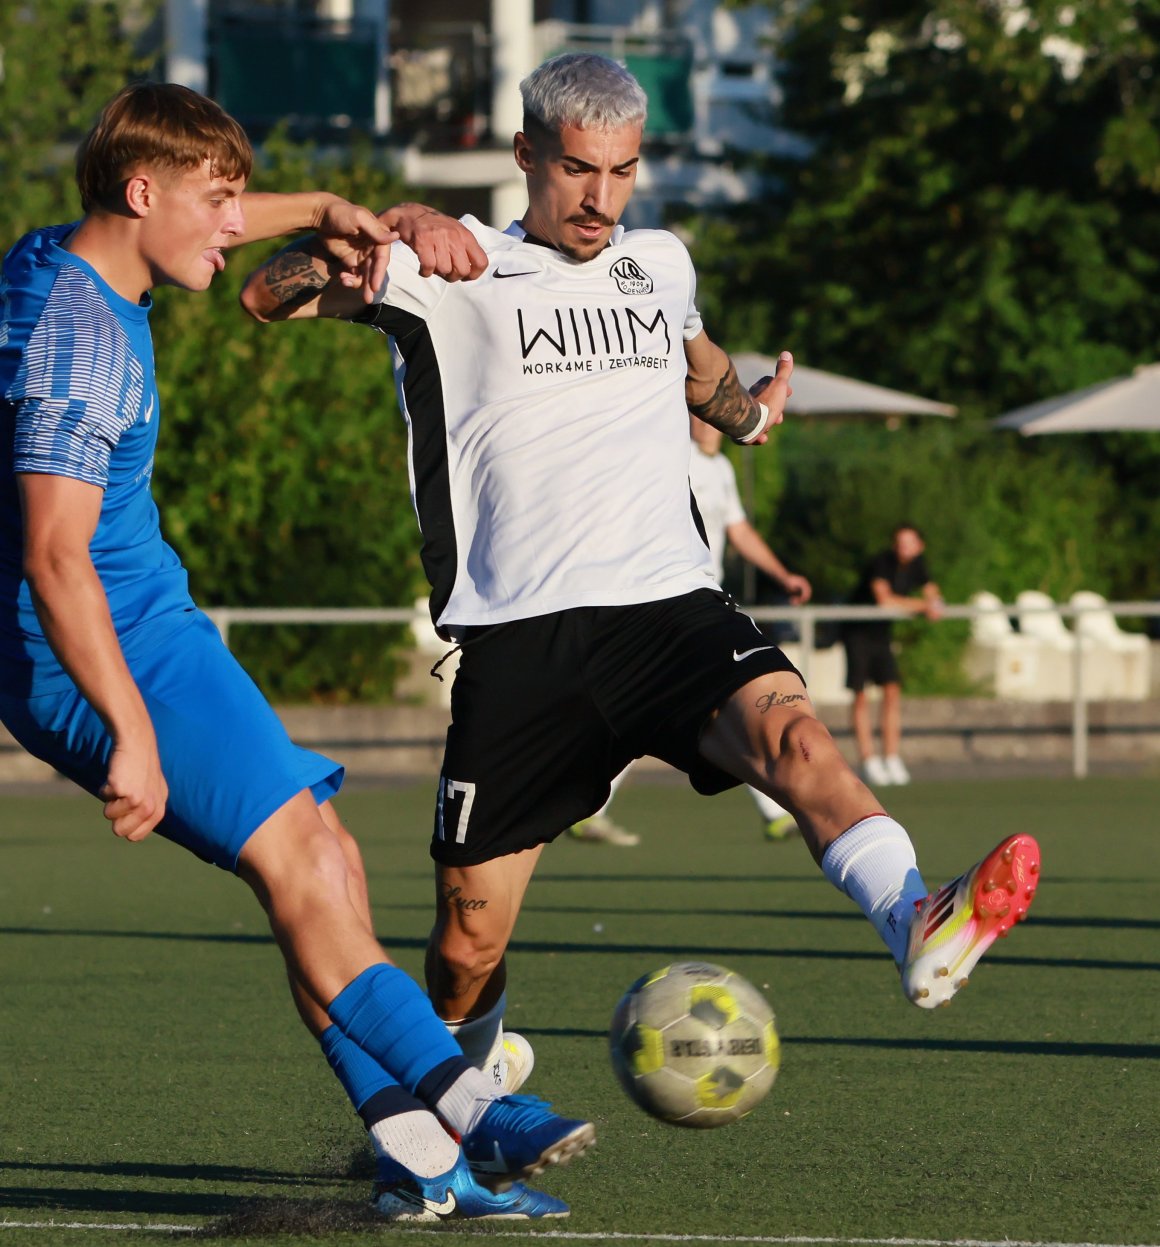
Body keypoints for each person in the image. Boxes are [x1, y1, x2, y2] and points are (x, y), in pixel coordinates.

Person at [240, 54, 1040, 1102]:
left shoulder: (659, 261)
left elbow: (694, 362)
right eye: (576, 170)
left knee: (798, 735)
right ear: (526, 155)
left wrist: (750, 415)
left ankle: (915, 920)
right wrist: (383, 228)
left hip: (670, 607)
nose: (599, 198)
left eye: (620, 172)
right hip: (524, 637)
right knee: (466, 942)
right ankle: (446, 1101)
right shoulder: (453, 264)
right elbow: (265, 293)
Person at [0, 81, 592, 1223]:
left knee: (329, 859)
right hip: (83, 641)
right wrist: (125, 728)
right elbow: (53, 559)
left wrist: (316, 202)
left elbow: (188, 202)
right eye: (220, 203)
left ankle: (418, 1163)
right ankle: (467, 1101)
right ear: (140, 195)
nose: (235, 222)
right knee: (304, 867)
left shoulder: (66, 255)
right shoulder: (78, 344)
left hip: (147, 616)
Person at [569, 412, 813, 845]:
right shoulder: (672, 456)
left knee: (720, 703)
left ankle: (589, 804)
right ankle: (584, 802)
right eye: (696, 414)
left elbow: (738, 531)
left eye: (709, 414)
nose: (703, 423)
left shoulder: (719, 470)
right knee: (721, 701)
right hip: (671, 603)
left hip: (705, 602)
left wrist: (782, 574)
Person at [843, 524, 943, 787]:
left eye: (910, 543)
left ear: (919, 546)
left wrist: (936, 604)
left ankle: (891, 757)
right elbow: (884, 600)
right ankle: (868, 760)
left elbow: (933, 593)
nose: (904, 548)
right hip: (858, 632)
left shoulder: (919, 564)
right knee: (861, 694)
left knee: (892, 690)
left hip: (881, 635)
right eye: (900, 542)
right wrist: (924, 606)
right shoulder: (881, 562)